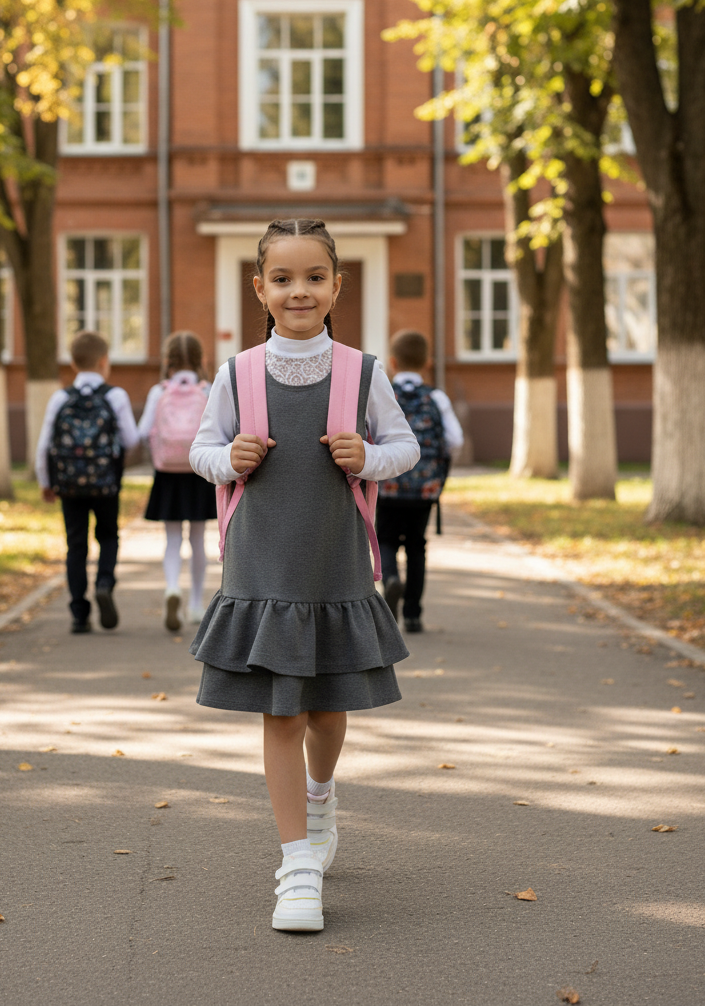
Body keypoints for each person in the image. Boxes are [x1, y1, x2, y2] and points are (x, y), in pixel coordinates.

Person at [189, 218, 419, 933]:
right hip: (263, 563)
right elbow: (198, 450)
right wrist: (230, 457)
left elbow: (406, 446)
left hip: (334, 560)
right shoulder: (237, 373)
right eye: (282, 279)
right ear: (260, 288)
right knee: (280, 710)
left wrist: (368, 457)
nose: (299, 291)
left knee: (325, 707)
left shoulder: (363, 372)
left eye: (314, 277)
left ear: (335, 286)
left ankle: (320, 798)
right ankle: (296, 866)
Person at [36, 330, 140, 633]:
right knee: (108, 536)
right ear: (104, 361)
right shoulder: (115, 396)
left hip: (69, 484)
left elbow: (44, 445)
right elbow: (131, 439)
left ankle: (79, 614)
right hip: (106, 482)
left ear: (72, 363)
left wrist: (46, 481)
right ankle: (105, 582)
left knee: (76, 545)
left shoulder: (60, 398)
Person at [376, 329, 464, 633]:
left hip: (386, 485)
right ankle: (413, 614)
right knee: (417, 546)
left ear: (392, 362)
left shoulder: (383, 392)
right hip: (424, 489)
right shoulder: (436, 397)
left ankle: (390, 579)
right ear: (427, 362)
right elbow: (455, 439)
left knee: (385, 539)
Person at [137, 331, 216, 631]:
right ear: (201, 360)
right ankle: (196, 604)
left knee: (172, 539)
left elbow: (144, 430)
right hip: (198, 471)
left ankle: (172, 588)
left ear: (167, 361)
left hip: (167, 472)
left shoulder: (159, 391)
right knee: (197, 539)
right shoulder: (207, 390)